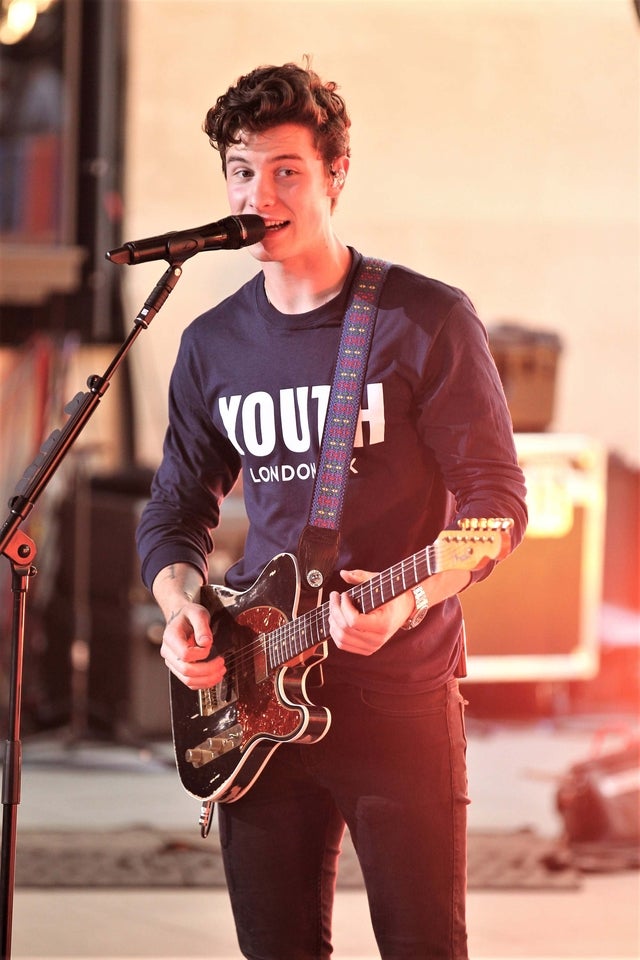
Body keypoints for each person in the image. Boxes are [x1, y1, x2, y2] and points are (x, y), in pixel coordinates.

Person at [136, 60, 528, 960]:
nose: (259, 193)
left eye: (286, 171)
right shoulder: (212, 343)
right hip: (258, 691)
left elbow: (497, 505)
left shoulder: (424, 320)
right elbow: (175, 508)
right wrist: (183, 610)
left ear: (335, 175)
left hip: (399, 699)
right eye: (242, 170)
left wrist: (410, 598)